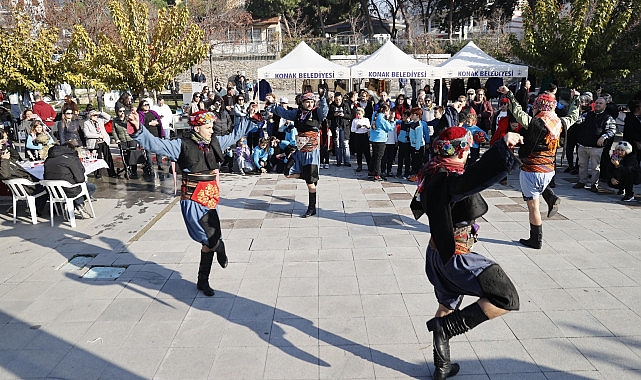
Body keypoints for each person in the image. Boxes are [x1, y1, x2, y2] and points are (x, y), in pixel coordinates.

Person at [410, 126, 522, 380]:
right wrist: (502, 147)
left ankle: (442, 366)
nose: (470, 151)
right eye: (467, 147)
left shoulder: (435, 171)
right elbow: (476, 177)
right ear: (458, 149)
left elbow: (470, 174)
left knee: (446, 305)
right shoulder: (449, 180)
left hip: (436, 255)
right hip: (457, 259)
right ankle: (445, 328)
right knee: (506, 298)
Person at [128, 107, 258, 296]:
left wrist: (251, 119)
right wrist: (140, 128)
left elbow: (236, 133)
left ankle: (202, 281)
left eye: (212, 126)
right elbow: (155, 144)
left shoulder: (216, 142)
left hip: (211, 196)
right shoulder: (181, 145)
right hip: (193, 197)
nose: (212, 130)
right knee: (208, 237)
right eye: (208, 127)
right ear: (197, 128)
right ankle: (219, 248)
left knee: (210, 239)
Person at [499, 85, 581, 249]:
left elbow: (518, 113)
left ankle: (535, 240)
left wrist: (509, 94)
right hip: (549, 171)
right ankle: (551, 198)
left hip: (532, 171)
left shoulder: (534, 122)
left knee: (533, 207)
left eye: (535, 105)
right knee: (540, 187)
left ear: (538, 106)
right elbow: (574, 114)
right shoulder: (560, 122)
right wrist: (576, 99)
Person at [268, 90, 329, 217]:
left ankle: (312, 208)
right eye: (307, 102)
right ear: (302, 102)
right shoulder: (297, 113)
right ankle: (308, 175)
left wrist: (323, 97)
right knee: (287, 172)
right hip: (299, 149)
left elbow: (324, 110)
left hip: (311, 152)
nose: (310, 104)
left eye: (312, 102)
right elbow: (284, 112)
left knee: (310, 184)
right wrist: (273, 105)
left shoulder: (317, 113)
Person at [572, 97, 617, 192]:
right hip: (583, 144)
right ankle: (582, 181)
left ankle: (594, 184)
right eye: (597, 103)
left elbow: (612, 130)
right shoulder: (587, 114)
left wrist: (604, 137)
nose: (598, 104)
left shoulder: (608, 117)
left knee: (595, 167)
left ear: (605, 106)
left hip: (596, 147)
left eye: (600, 103)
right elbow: (578, 121)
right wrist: (576, 108)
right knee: (582, 165)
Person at [44, 142, 96, 219]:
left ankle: (69, 205)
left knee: (72, 186)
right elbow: (80, 179)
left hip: (53, 192)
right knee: (91, 187)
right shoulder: (71, 159)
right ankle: (78, 205)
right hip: (69, 190)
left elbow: (45, 176)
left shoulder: (48, 160)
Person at [83, 109, 117, 178]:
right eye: (94, 115)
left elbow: (108, 117)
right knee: (97, 159)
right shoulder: (86, 123)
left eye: (96, 115)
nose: (96, 116)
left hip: (103, 141)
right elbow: (87, 134)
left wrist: (101, 112)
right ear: (90, 116)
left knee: (108, 157)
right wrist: (98, 136)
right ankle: (98, 174)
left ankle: (111, 173)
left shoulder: (100, 120)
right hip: (94, 143)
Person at [371, 103, 395, 181]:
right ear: (385, 111)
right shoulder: (382, 118)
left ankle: (373, 171)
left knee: (375, 156)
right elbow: (389, 128)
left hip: (374, 138)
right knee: (379, 157)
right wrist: (392, 121)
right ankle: (377, 175)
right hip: (380, 139)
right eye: (388, 111)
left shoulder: (375, 114)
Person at [328, 92, 352, 167]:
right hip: (336, 127)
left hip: (344, 127)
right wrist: (333, 115)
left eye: (339, 99)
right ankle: (339, 161)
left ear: (342, 99)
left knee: (345, 144)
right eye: (336, 100)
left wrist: (344, 115)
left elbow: (350, 115)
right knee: (337, 144)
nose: (338, 101)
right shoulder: (332, 106)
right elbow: (328, 116)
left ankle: (347, 161)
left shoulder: (346, 105)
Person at [350, 107, 371, 173]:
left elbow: (369, 128)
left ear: (363, 114)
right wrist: (356, 128)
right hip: (357, 136)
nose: (358, 115)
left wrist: (366, 127)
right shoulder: (355, 120)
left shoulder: (366, 119)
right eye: (357, 114)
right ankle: (359, 165)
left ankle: (369, 165)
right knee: (359, 152)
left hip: (364, 135)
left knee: (367, 152)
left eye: (359, 114)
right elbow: (352, 130)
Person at [623, 99, 641, 166]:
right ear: (637, 108)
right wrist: (637, 141)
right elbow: (630, 133)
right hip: (632, 146)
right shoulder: (630, 119)